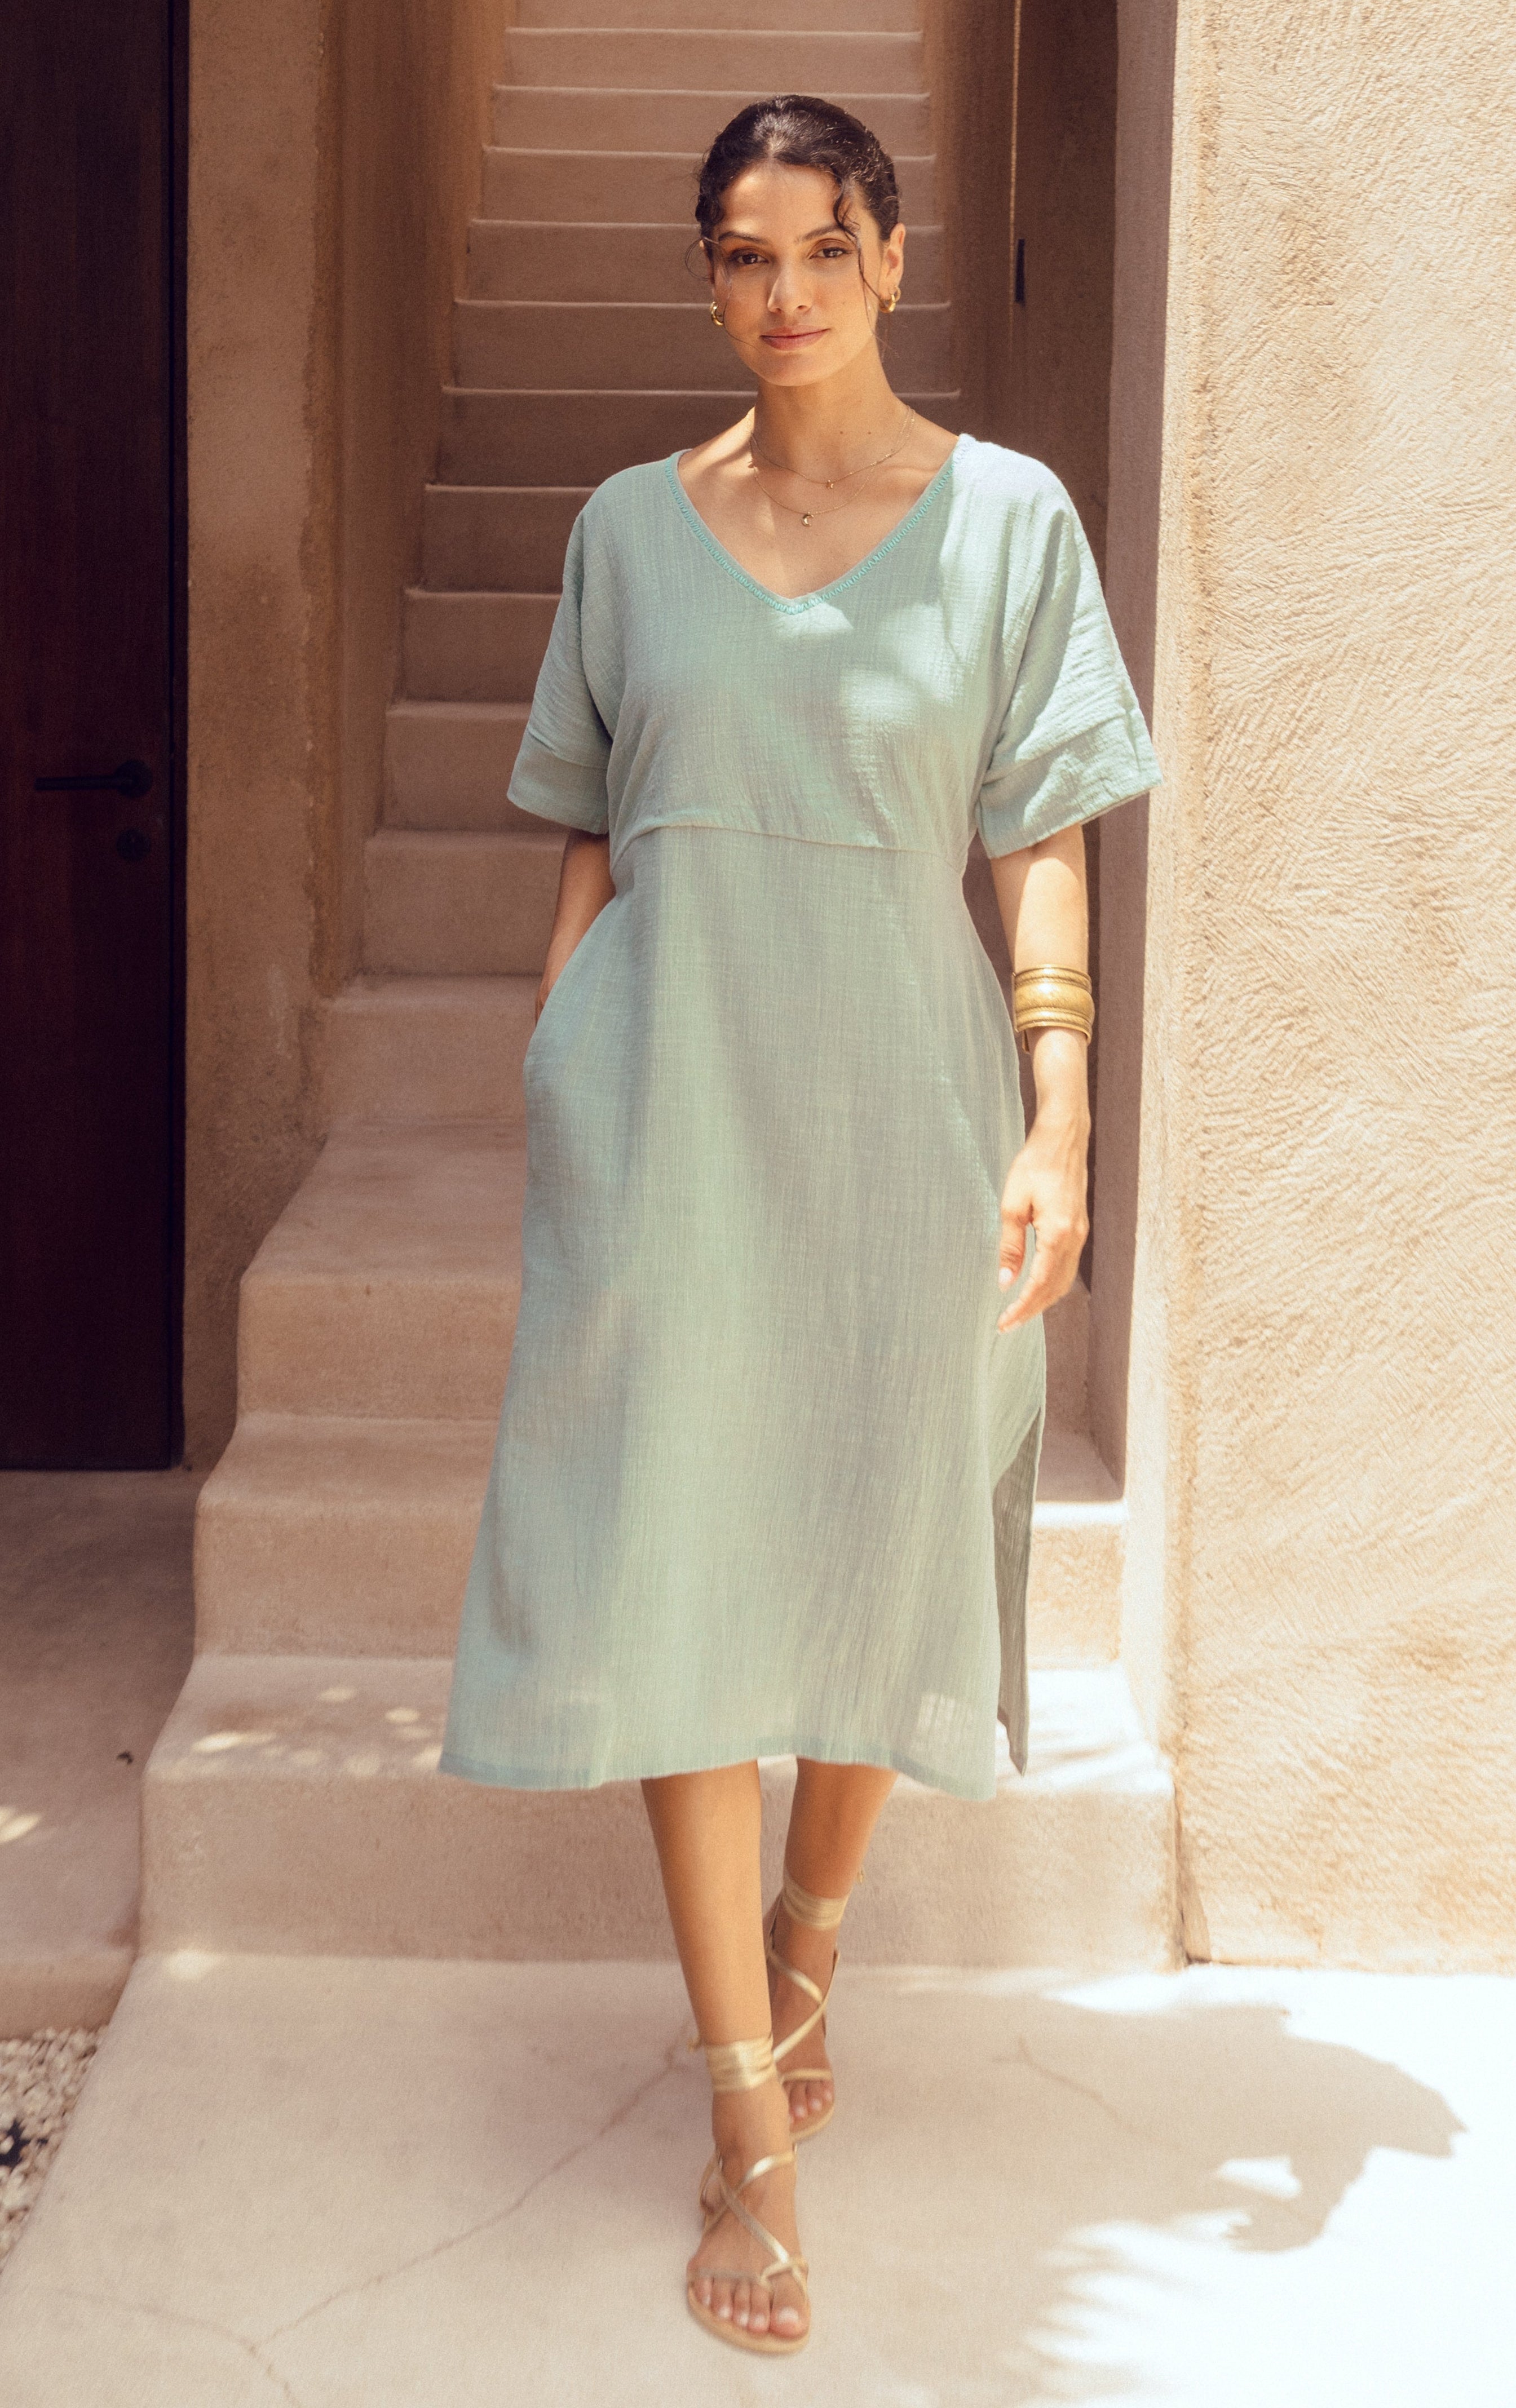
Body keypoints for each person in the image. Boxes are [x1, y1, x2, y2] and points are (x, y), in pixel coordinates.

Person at [439, 92, 1160, 2356]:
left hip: (909, 1100)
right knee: (667, 1549)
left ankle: (813, 1940)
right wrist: (563, 1046)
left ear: (890, 253)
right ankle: (746, 2122)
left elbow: (1043, 828)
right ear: (709, 271)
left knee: (886, 1518)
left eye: (822, 252)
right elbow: (585, 824)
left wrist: (1058, 1111)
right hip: (668, 1097)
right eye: (741, 257)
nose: (781, 298)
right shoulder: (627, 533)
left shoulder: (1008, 522)